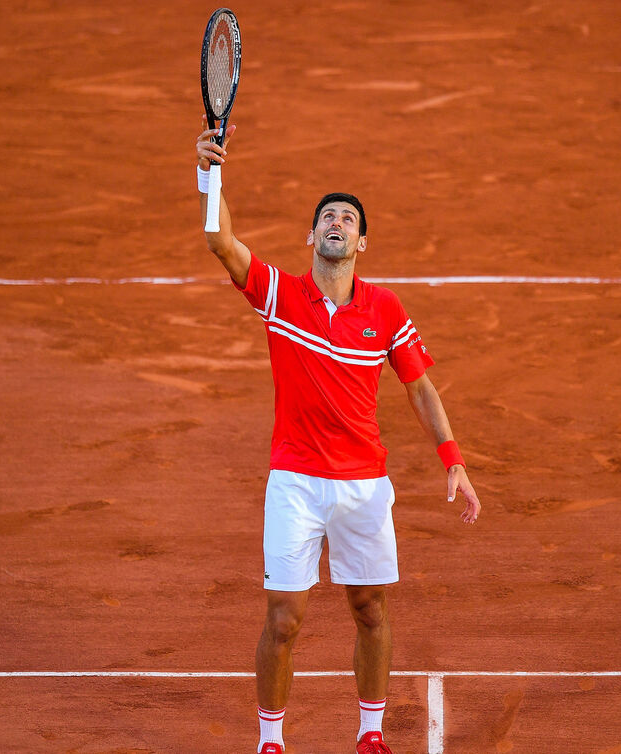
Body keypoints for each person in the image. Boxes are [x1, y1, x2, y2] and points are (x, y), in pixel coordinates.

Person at [195, 121, 481, 754]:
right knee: (283, 617)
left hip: (363, 486)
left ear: (362, 241)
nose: (337, 222)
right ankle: (270, 742)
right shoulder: (280, 296)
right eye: (328, 216)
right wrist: (210, 171)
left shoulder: (385, 310)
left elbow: (421, 387)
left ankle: (370, 734)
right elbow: (220, 239)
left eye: (348, 218)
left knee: (371, 610)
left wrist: (452, 461)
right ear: (312, 236)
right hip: (294, 482)